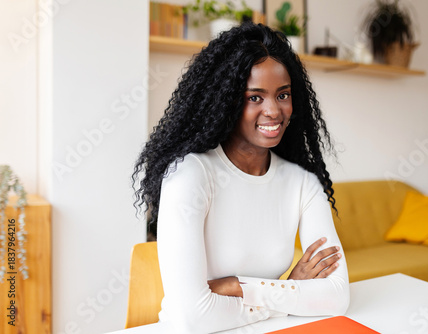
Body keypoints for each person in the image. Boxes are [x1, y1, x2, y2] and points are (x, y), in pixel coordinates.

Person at [132, 22, 349, 333]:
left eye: (283, 95)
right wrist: (287, 292)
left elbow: (337, 296)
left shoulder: (303, 183)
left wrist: (235, 286)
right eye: (255, 98)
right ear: (226, 101)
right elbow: (192, 317)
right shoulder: (191, 174)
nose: (274, 111)